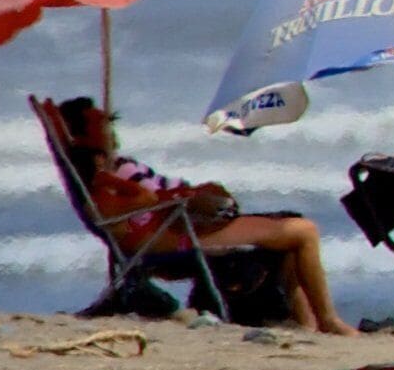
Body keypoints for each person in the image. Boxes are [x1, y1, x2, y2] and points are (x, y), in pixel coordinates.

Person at [55, 97, 346, 334]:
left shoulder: (112, 174)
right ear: (89, 140)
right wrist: (185, 198)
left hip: (177, 225)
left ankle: (307, 324)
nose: (111, 128)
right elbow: (149, 200)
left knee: (289, 224)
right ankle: (329, 322)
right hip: (177, 232)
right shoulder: (108, 186)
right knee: (303, 231)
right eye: (103, 124)